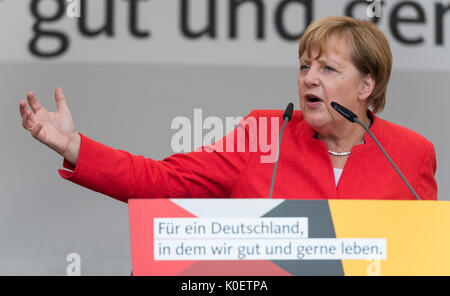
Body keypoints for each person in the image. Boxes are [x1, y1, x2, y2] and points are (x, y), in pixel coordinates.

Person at [19, 16, 437, 201]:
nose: (310, 78)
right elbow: (165, 182)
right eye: (305, 66)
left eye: (328, 68)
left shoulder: (409, 154)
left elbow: (423, 256)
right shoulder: (264, 134)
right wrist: (75, 146)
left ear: (367, 85)